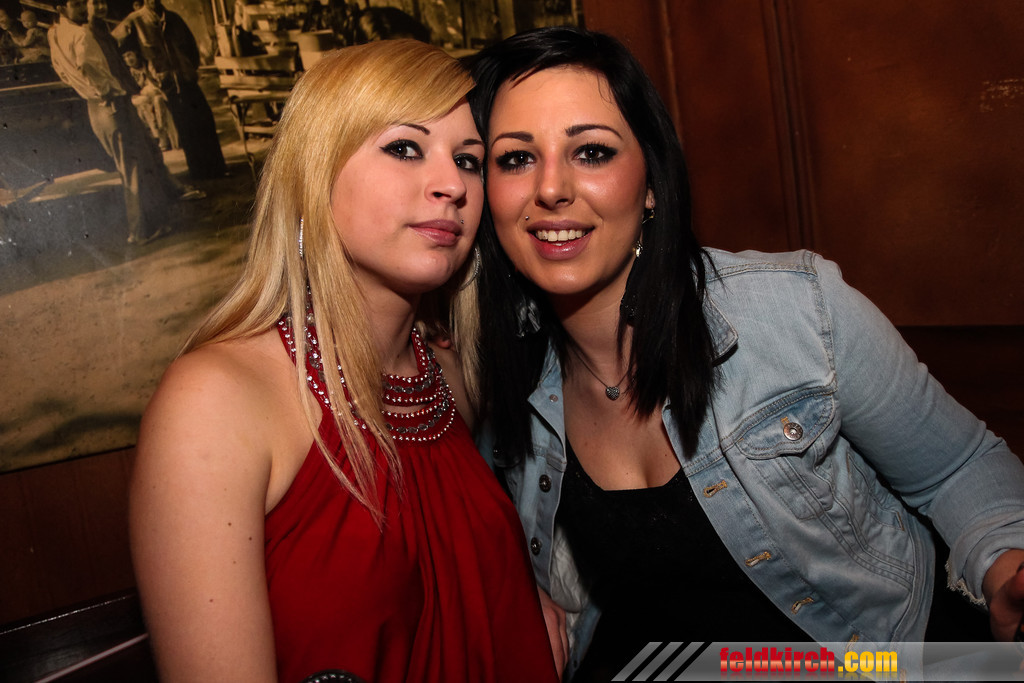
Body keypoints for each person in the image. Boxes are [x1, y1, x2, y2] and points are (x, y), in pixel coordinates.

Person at [466, 26, 1024, 680]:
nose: (551, 188)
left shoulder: (796, 308)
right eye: (515, 158)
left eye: (591, 151)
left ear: (651, 183)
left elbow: (957, 468)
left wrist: (1005, 561)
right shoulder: (496, 371)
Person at [131, 39, 559, 683]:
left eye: (468, 160)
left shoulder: (448, 375)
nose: (452, 185)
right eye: (404, 147)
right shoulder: (215, 401)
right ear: (316, 173)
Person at [48, 0, 184, 244]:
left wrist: (87, 89)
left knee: (135, 162)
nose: (83, 9)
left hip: (94, 106)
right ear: (61, 8)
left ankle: (156, 219)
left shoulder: (54, 33)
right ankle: (141, 231)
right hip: (110, 104)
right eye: (76, 5)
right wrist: (107, 91)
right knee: (132, 168)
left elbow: (61, 69)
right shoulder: (81, 34)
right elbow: (88, 66)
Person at [114, 0, 228, 180]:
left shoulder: (173, 18)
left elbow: (191, 47)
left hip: (186, 78)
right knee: (185, 127)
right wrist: (144, 75)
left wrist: (189, 67)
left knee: (204, 120)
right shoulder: (134, 22)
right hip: (165, 85)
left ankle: (217, 169)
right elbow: (114, 46)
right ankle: (199, 173)